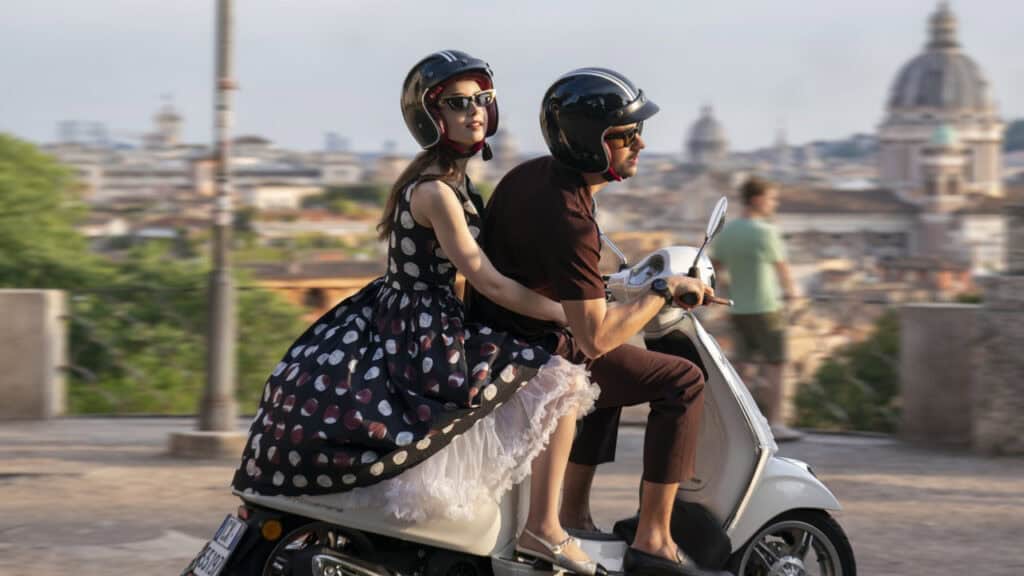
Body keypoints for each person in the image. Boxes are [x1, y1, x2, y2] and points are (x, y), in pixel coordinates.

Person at [231, 51, 602, 575]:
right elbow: (486, 278)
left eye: (482, 101)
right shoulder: (436, 192)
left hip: (411, 316)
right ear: (433, 117)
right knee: (559, 379)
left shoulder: (447, 182)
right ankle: (544, 528)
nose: (474, 112)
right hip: (423, 329)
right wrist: (567, 314)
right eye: (458, 103)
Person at [470, 68, 720, 576]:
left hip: (500, 335)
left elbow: (555, 276)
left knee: (611, 373)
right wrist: (661, 290)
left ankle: (574, 512)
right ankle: (654, 539)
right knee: (682, 382)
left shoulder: (533, 176)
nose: (641, 144)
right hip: (529, 351)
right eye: (626, 136)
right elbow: (595, 334)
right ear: (592, 144)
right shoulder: (570, 218)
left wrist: (612, 288)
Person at [710, 176, 802, 442]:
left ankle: (739, 423)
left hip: (738, 309)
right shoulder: (766, 232)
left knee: (742, 366)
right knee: (776, 365)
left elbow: (715, 269)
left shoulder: (726, 232)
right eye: (772, 198)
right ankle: (775, 423)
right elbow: (783, 271)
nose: (775, 204)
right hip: (767, 306)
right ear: (758, 199)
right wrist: (793, 295)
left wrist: (727, 291)